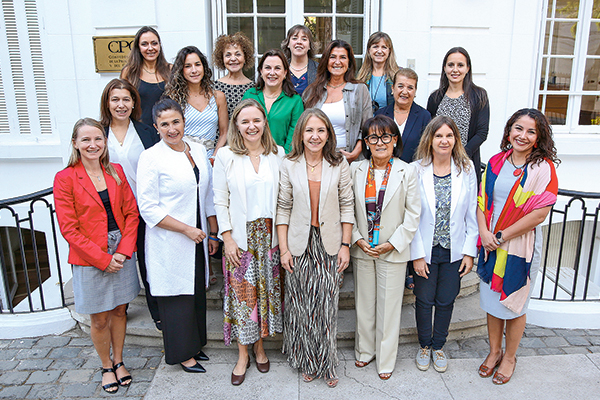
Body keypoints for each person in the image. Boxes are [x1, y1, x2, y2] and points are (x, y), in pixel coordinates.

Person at [54, 118, 140, 394]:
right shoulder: (65, 178)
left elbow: (131, 213)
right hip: (89, 254)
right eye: (86, 140)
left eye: (98, 139)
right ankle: (106, 365)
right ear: (75, 143)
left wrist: (124, 251)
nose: (93, 145)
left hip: (121, 249)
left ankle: (119, 360)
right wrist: (103, 258)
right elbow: (70, 229)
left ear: (105, 143)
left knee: (119, 310)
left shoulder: (115, 171)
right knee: (99, 317)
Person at [477, 108, 559, 385]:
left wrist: (500, 236)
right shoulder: (497, 161)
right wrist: (485, 233)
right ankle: (494, 352)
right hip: (491, 242)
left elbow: (539, 214)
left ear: (538, 137)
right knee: (491, 302)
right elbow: (482, 201)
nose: (522, 135)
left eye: (531, 131)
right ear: (509, 131)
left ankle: (510, 357)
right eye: (518, 129)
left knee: (514, 303)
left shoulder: (542, 168)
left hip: (519, 246)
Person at [136, 98, 219, 373]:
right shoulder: (151, 157)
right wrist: (185, 229)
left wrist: (211, 231)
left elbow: (206, 192)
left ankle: (196, 345)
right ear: (155, 127)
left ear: (184, 121)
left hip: (198, 234)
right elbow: (147, 207)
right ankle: (183, 354)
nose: (172, 129)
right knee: (176, 299)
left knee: (195, 293)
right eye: (164, 124)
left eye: (176, 122)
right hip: (170, 237)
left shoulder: (196, 149)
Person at [277, 108, 354, 388]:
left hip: (329, 243)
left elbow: (347, 206)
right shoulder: (289, 164)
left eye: (320, 130)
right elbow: (283, 208)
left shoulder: (338, 164)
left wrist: (345, 245)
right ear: (301, 133)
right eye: (309, 130)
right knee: (301, 304)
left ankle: (327, 361)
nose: (315, 136)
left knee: (326, 303)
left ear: (328, 134)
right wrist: (284, 249)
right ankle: (307, 358)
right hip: (299, 243)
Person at [213, 99, 284, 385]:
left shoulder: (277, 154)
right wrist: (227, 237)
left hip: (269, 236)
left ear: (264, 123)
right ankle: (243, 354)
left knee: (264, 296)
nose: (251, 126)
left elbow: (283, 199)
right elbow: (220, 200)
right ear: (236, 125)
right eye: (245, 121)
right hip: (240, 237)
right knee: (244, 299)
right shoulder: (226, 156)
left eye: (256, 120)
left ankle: (260, 346)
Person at [350, 115, 420, 380]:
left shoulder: (408, 170)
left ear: (395, 140)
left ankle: (386, 359)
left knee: (390, 308)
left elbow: (413, 214)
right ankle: (364, 351)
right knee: (364, 304)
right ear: (366, 142)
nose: (380, 142)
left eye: (386, 136)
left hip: (393, 249)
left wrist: (393, 243)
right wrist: (357, 238)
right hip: (363, 248)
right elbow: (348, 209)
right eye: (373, 137)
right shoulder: (355, 169)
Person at [410, 116, 478, 373]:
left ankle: (439, 346)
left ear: (455, 140)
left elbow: (471, 212)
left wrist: (469, 252)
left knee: (446, 299)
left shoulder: (467, 169)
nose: (444, 140)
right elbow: (412, 215)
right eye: (439, 135)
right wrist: (416, 254)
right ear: (430, 139)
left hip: (454, 248)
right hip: (425, 248)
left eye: (449, 135)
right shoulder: (416, 169)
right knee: (424, 299)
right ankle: (424, 345)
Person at [99, 78, 161, 329]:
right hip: (111, 211)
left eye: (126, 99)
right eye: (115, 99)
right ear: (107, 103)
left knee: (148, 261)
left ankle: (157, 311)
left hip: (143, 207)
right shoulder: (99, 134)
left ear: (134, 102)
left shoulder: (146, 132)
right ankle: (118, 308)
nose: (121, 105)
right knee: (117, 260)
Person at [303, 40, 372, 163]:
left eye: (343, 57)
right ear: (326, 61)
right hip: (318, 159)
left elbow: (367, 127)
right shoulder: (311, 92)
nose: (337, 62)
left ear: (349, 62)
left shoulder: (360, 90)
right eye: (332, 57)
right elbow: (303, 128)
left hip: (350, 159)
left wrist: (354, 154)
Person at [427, 47, 489, 183]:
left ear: (467, 68)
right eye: (451, 65)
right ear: (444, 68)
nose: (455, 70)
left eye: (460, 65)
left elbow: (482, 132)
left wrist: (460, 156)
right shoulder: (435, 98)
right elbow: (429, 132)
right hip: (438, 164)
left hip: (466, 163)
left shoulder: (479, 96)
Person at [164, 46, 229, 159]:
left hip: (210, 157)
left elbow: (224, 132)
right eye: (188, 66)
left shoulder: (218, 97)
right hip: (182, 157)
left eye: (198, 65)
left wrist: (215, 157)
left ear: (204, 67)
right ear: (181, 70)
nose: (194, 70)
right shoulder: (173, 98)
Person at [242, 49, 304, 153]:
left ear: (285, 73)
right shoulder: (250, 95)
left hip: (282, 159)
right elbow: (241, 126)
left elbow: (295, 136)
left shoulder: (295, 101)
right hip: (250, 156)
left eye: (277, 68)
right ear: (261, 71)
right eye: (267, 68)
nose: (272, 73)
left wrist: (282, 158)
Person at [375, 68, 431, 163]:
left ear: (415, 91)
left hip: (413, 172)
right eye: (400, 86)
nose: (405, 92)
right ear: (393, 88)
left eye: (410, 88)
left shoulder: (424, 117)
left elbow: (427, 151)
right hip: (384, 172)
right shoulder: (380, 115)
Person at [121, 26, 171, 127]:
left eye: (154, 43)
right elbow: (123, 101)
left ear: (160, 45)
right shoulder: (129, 72)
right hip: (140, 130)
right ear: (138, 48)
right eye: (144, 44)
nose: (150, 48)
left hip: (167, 130)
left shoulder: (171, 70)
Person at [213, 32, 255, 117]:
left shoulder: (254, 88)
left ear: (245, 57)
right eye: (228, 55)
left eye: (238, 54)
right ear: (222, 59)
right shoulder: (214, 87)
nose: (233, 59)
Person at [356, 32, 399, 113]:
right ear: (369, 50)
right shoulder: (361, 76)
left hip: (389, 123)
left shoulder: (397, 75)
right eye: (375, 47)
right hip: (366, 123)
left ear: (389, 51)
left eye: (384, 47)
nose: (379, 51)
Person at [281, 24, 318, 95]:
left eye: (304, 39)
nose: (299, 42)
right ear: (288, 44)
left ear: (310, 45)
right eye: (295, 38)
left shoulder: (319, 70)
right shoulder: (281, 69)